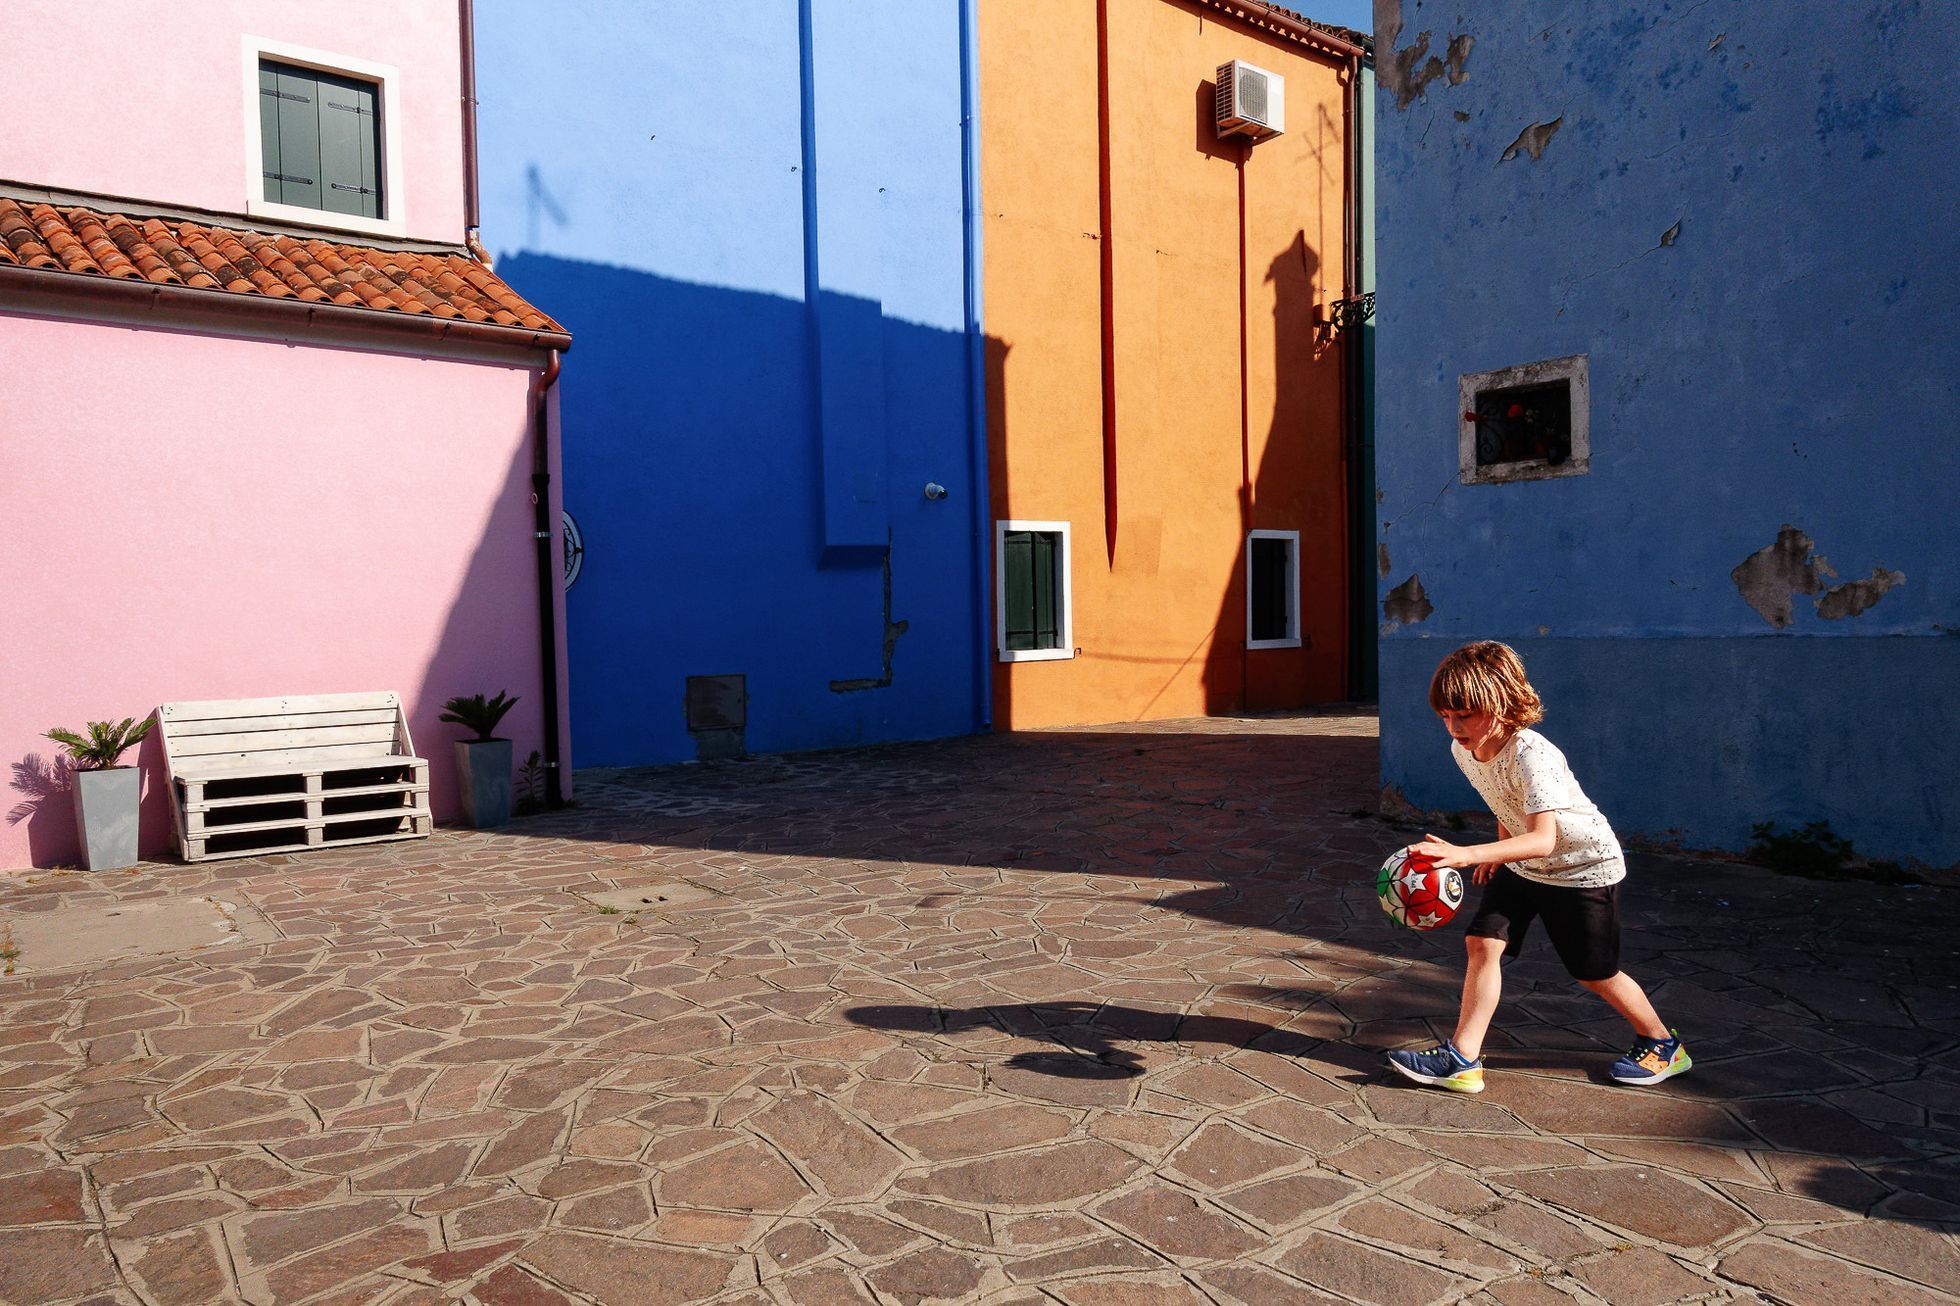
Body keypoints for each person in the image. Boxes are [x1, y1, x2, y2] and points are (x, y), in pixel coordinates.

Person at [1385, 641, 1689, 1093]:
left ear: (1501, 702)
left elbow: (1545, 838)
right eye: (1444, 716)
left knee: (1594, 972)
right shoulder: (1465, 750)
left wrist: (1473, 854)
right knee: (1481, 943)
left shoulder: (1533, 754)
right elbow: (1506, 802)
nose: (1453, 727)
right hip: (1526, 865)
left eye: (1464, 715)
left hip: (1583, 869)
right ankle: (1462, 1058)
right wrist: (1501, 850)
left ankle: (1663, 1044)